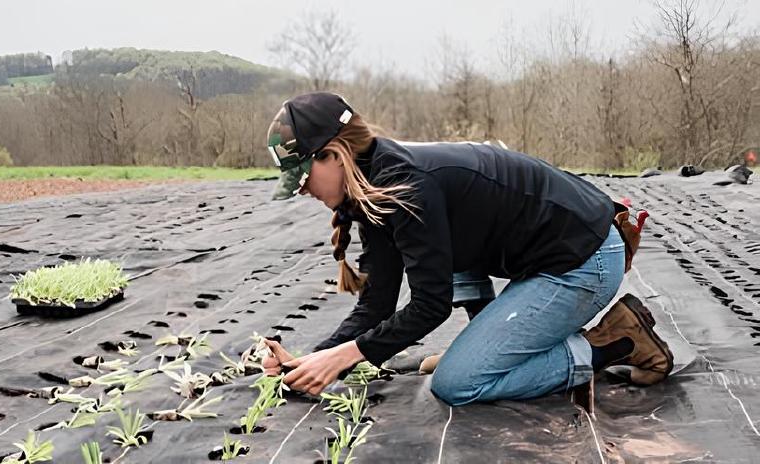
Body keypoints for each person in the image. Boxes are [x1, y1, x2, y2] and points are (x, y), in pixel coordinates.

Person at [261, 91, 673, 406]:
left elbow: (430, 305)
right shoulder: (371, 190)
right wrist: (312, 361)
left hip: (584, 260)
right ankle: (485, 347)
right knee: (457, 338)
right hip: (549, 254)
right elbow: (377, 303)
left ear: (334, 154)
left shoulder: (406, 186)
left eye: (303, 178)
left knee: (457, 383)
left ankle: (615, 341)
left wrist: (342, 357)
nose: (303, 191)